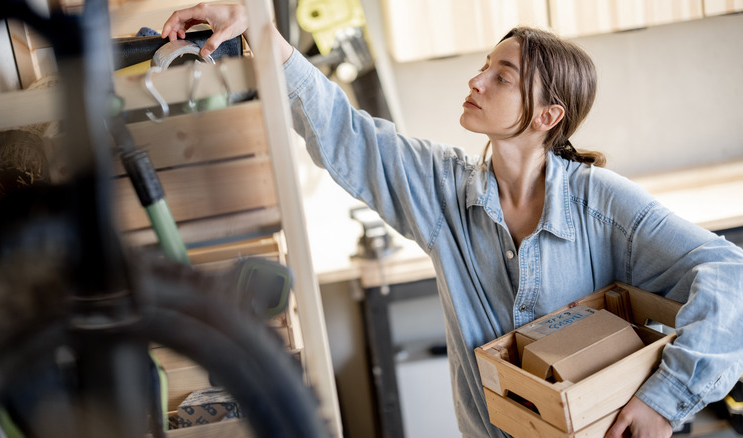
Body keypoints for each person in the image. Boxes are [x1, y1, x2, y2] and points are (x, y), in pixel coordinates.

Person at [163, 4, 743, 437]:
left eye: (502, 76)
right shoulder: (444, 191)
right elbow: (345, 131)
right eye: (483, 67)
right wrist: (260, 34)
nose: (476, 81)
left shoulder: (602, 205)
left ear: (547, 115)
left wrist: (664, 400)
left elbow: (731, 275)